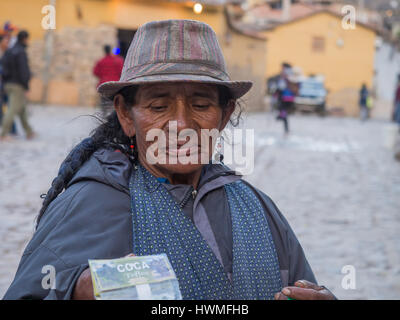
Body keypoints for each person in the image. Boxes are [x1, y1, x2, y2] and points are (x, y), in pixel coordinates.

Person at [4, 20, 336, 300]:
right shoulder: (87, 205)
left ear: (224, 115)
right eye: (158, 107)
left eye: (201, 105)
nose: (180, 125)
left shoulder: (258, 211)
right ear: (125, 114)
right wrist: (75, 291)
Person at [0, 30, 34, 140]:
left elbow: (4, 67)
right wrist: (26, 85)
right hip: (17, 85)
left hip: (8, 84)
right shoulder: (20, 52)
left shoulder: (9, 51)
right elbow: (23, 70)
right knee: (12, 109)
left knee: (22, 108)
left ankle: (29, 131)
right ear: (24, 39)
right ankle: (3, 133)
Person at [93, 45, 124, 115]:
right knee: (114, 101)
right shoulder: (118, 60)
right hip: (115, 84)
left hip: (103, 84)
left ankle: (104, 116)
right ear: (110, 50)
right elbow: (122, 71)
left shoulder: (101, 61)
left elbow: (95, 72)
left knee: (104, 102)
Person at [0, 34, 17, 135]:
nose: (7, 44)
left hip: (5, 85)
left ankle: (11, 129)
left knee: (8, 107)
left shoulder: (7, 53)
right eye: (6, 41)